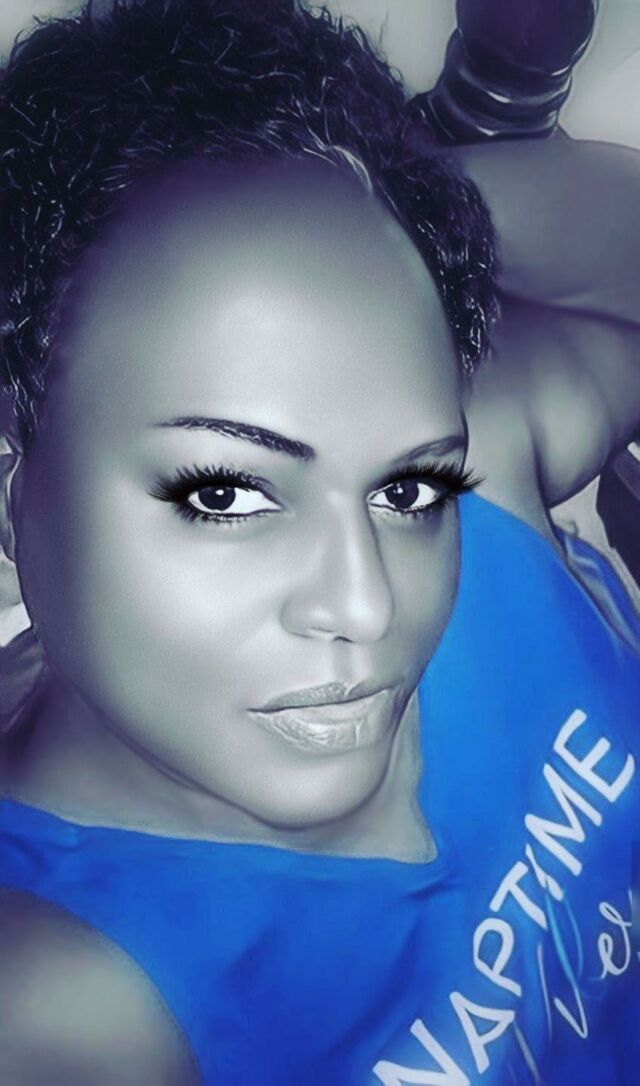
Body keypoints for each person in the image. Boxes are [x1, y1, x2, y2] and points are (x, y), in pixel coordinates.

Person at [0, 1, 638, 1084]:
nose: (367, 605)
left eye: (405, 487)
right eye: (224, 496)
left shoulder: (478, 458)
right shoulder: (65, 1002)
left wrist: (392, 201)